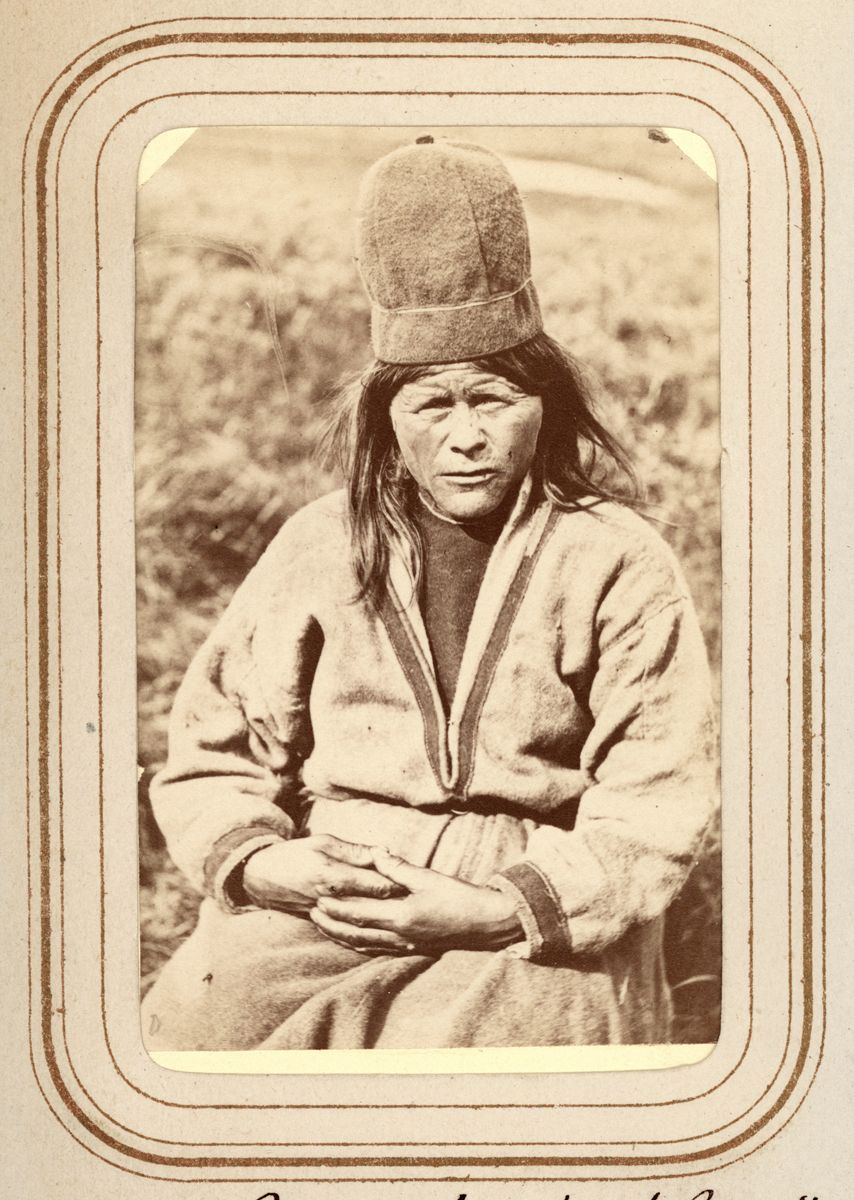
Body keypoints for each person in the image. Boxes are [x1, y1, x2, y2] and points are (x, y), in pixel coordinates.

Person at [141, 138, 716, 1051]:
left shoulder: (616, 557)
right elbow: (214, 750)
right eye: (432, 407)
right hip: (335, 886)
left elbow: (656, 797)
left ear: (546, 405)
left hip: (534, 902)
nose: (466, 440)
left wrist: (490, 908)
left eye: (492, 400)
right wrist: (263, 866)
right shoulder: (321, 544)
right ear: (387, 421)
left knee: (503, 1080)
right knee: (189, 1041)